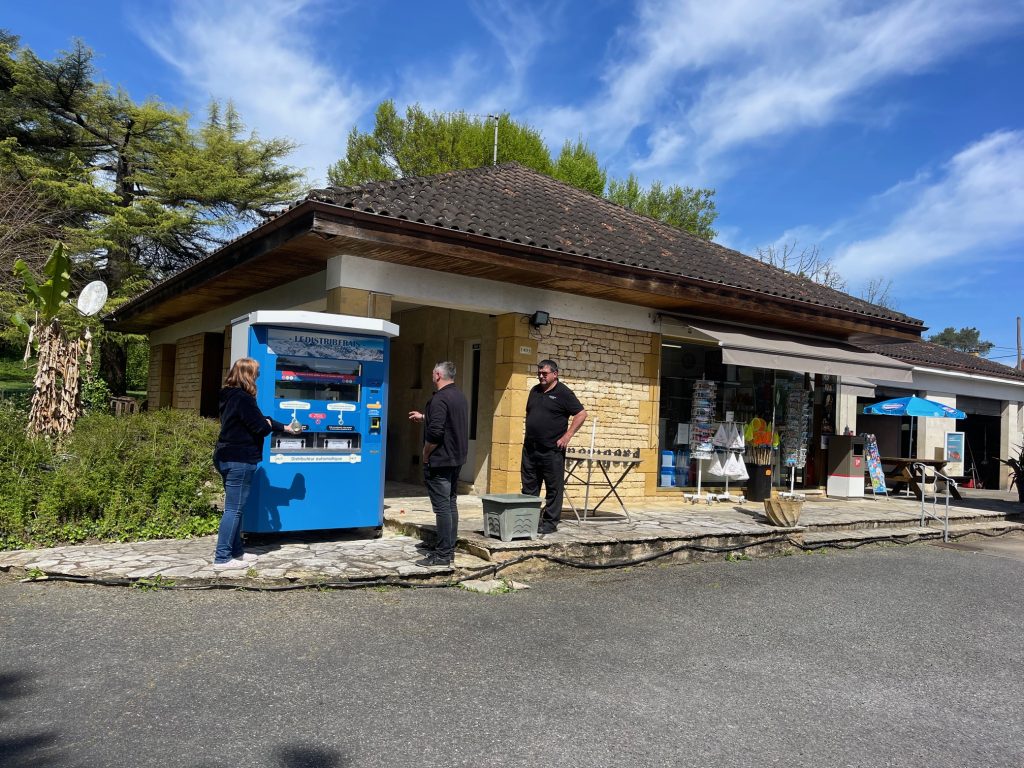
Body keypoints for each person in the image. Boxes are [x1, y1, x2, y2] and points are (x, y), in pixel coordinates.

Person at [212, 357, 299, 570]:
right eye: (256, 374)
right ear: (248, 375)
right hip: (240, 458)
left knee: (236, 508)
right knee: (233, 509)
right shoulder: (244, 398)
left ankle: (237, 552)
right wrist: (269, 425)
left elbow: (261, 419)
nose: (258, 377)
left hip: (224, 455)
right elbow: (260, 426)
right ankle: (222, 558)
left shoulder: (228, 396)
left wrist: (284, 427)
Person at [408, 361, 468, 567]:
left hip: (441, 460)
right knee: (450, 503)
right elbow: (447, 420)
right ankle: (448, 549)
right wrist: (423, 416)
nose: (432, 377)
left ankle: (442, 555)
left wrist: (426, 454)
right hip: (456, 458)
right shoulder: (458, 396)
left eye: (433, 374)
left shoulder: (440, 398)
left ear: (438, 375)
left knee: (442, 507)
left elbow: (436, 432)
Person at [522, 359, 587, 534]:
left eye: (545, 373)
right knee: (529, 488)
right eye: (539, 372)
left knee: (553, 487)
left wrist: (568, 436)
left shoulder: (563, 393)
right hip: (530, 449)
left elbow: (581, 414)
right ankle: (529, 520)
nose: (541, 376)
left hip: (551, 450)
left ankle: (550, 523)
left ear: (555, 374)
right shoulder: (534, 391)